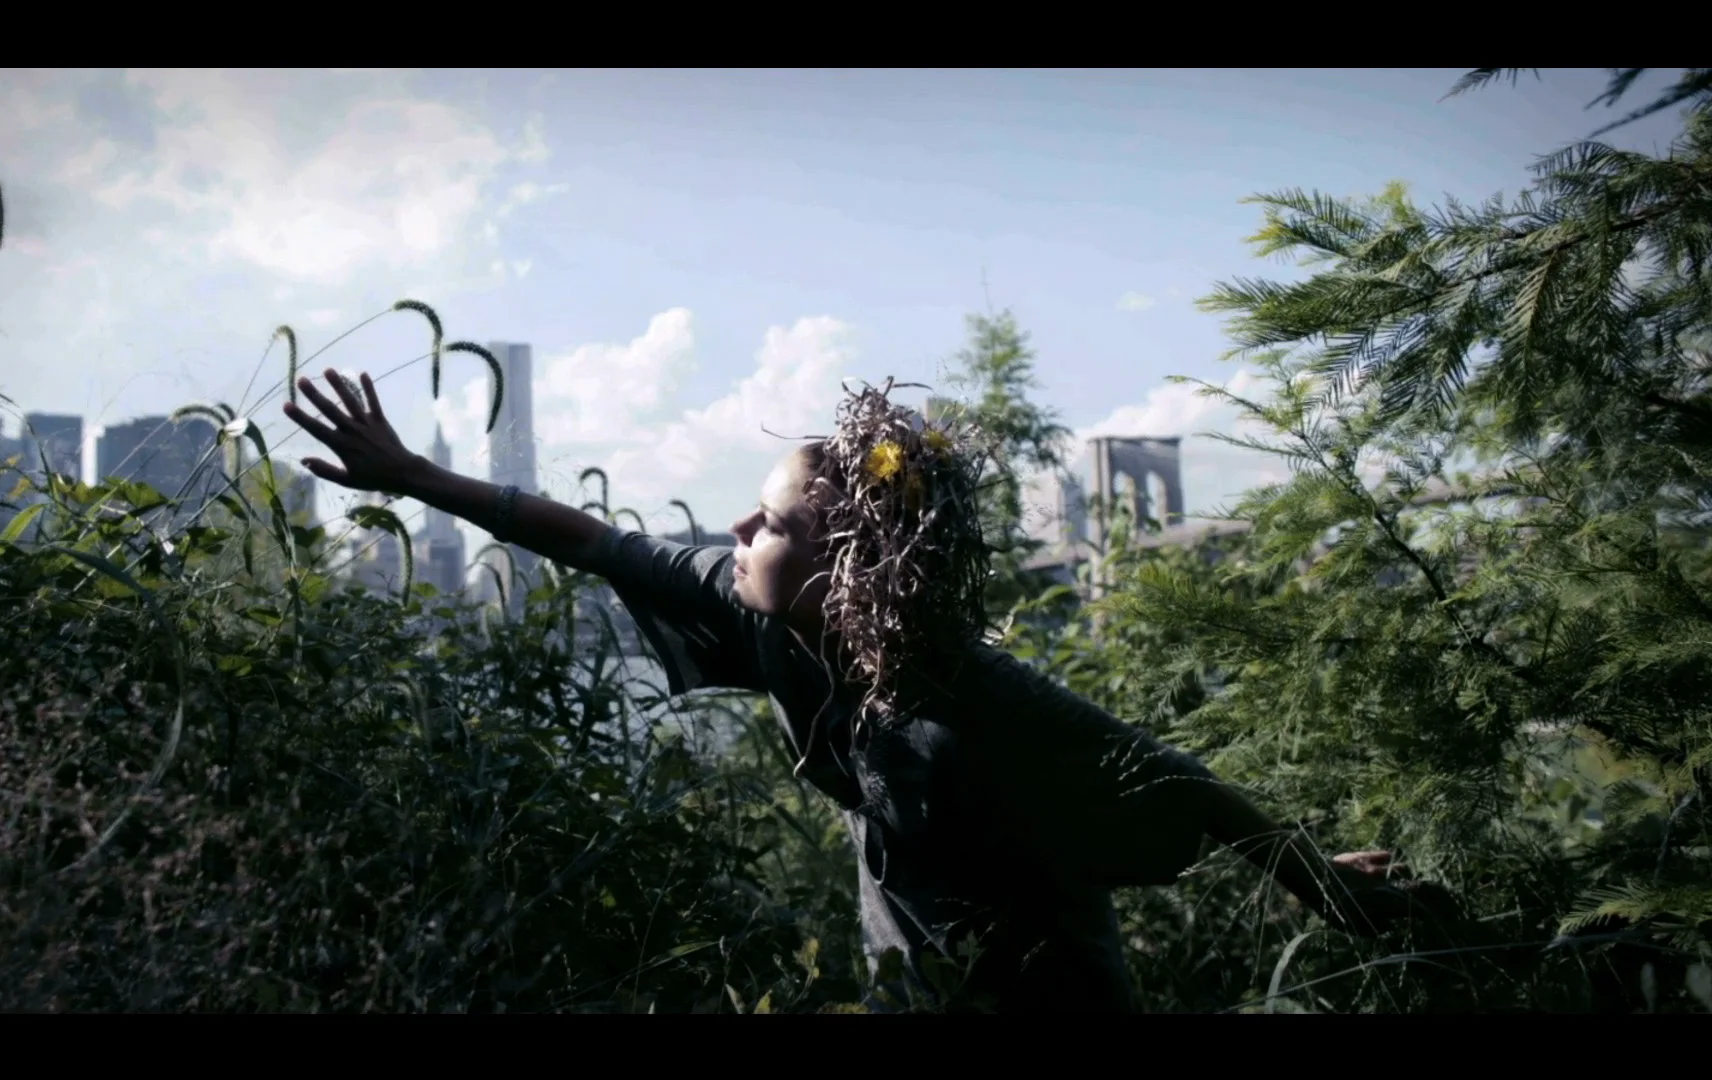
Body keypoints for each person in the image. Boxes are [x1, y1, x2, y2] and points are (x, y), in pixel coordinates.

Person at [285, 368, 1434, 1013]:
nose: (738, 528)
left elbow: (1177, 781)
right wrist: (416, 475)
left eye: (772, 522)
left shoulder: (975, 695)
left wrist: (1321, 882)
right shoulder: (765, 611)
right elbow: (594, 540)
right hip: (912, 985)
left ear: (851, 573)